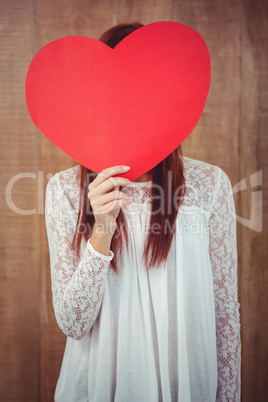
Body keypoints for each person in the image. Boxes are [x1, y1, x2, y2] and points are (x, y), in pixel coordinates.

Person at [45, 23, 241, 402]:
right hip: (98, 385)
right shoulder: (66, 191)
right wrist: (102, 228)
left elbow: (224, 313)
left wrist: (228, 397)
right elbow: (73, 322)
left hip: (186, 383)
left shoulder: (210, 185)